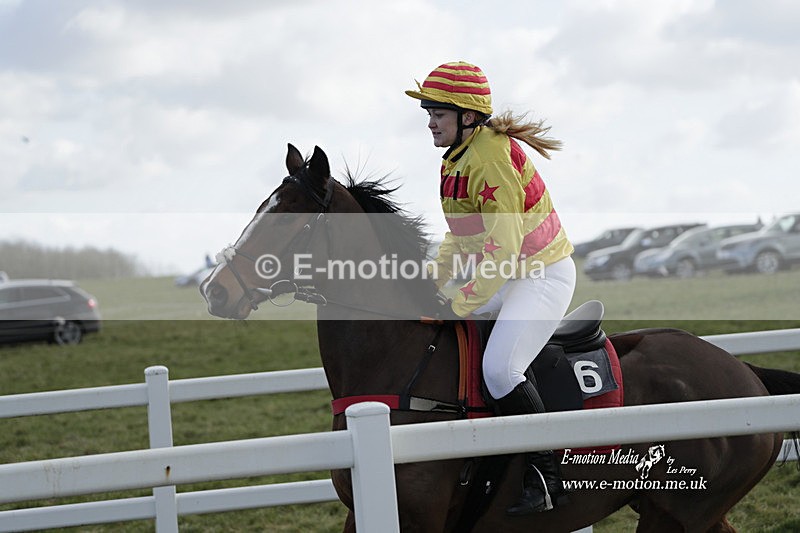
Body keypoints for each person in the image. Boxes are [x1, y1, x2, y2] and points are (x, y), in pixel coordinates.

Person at [406, 61, 576, 515]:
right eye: (427, 113)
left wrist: (459, 301)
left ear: (466, 116)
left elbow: (503, 249)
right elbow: (458, 239)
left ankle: (545, 475)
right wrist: (429, 286)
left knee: (500, 371)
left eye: (436, 114)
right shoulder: (457, 158)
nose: (429, 123)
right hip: (509, 273)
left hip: (540, 275)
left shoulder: (491, 159)